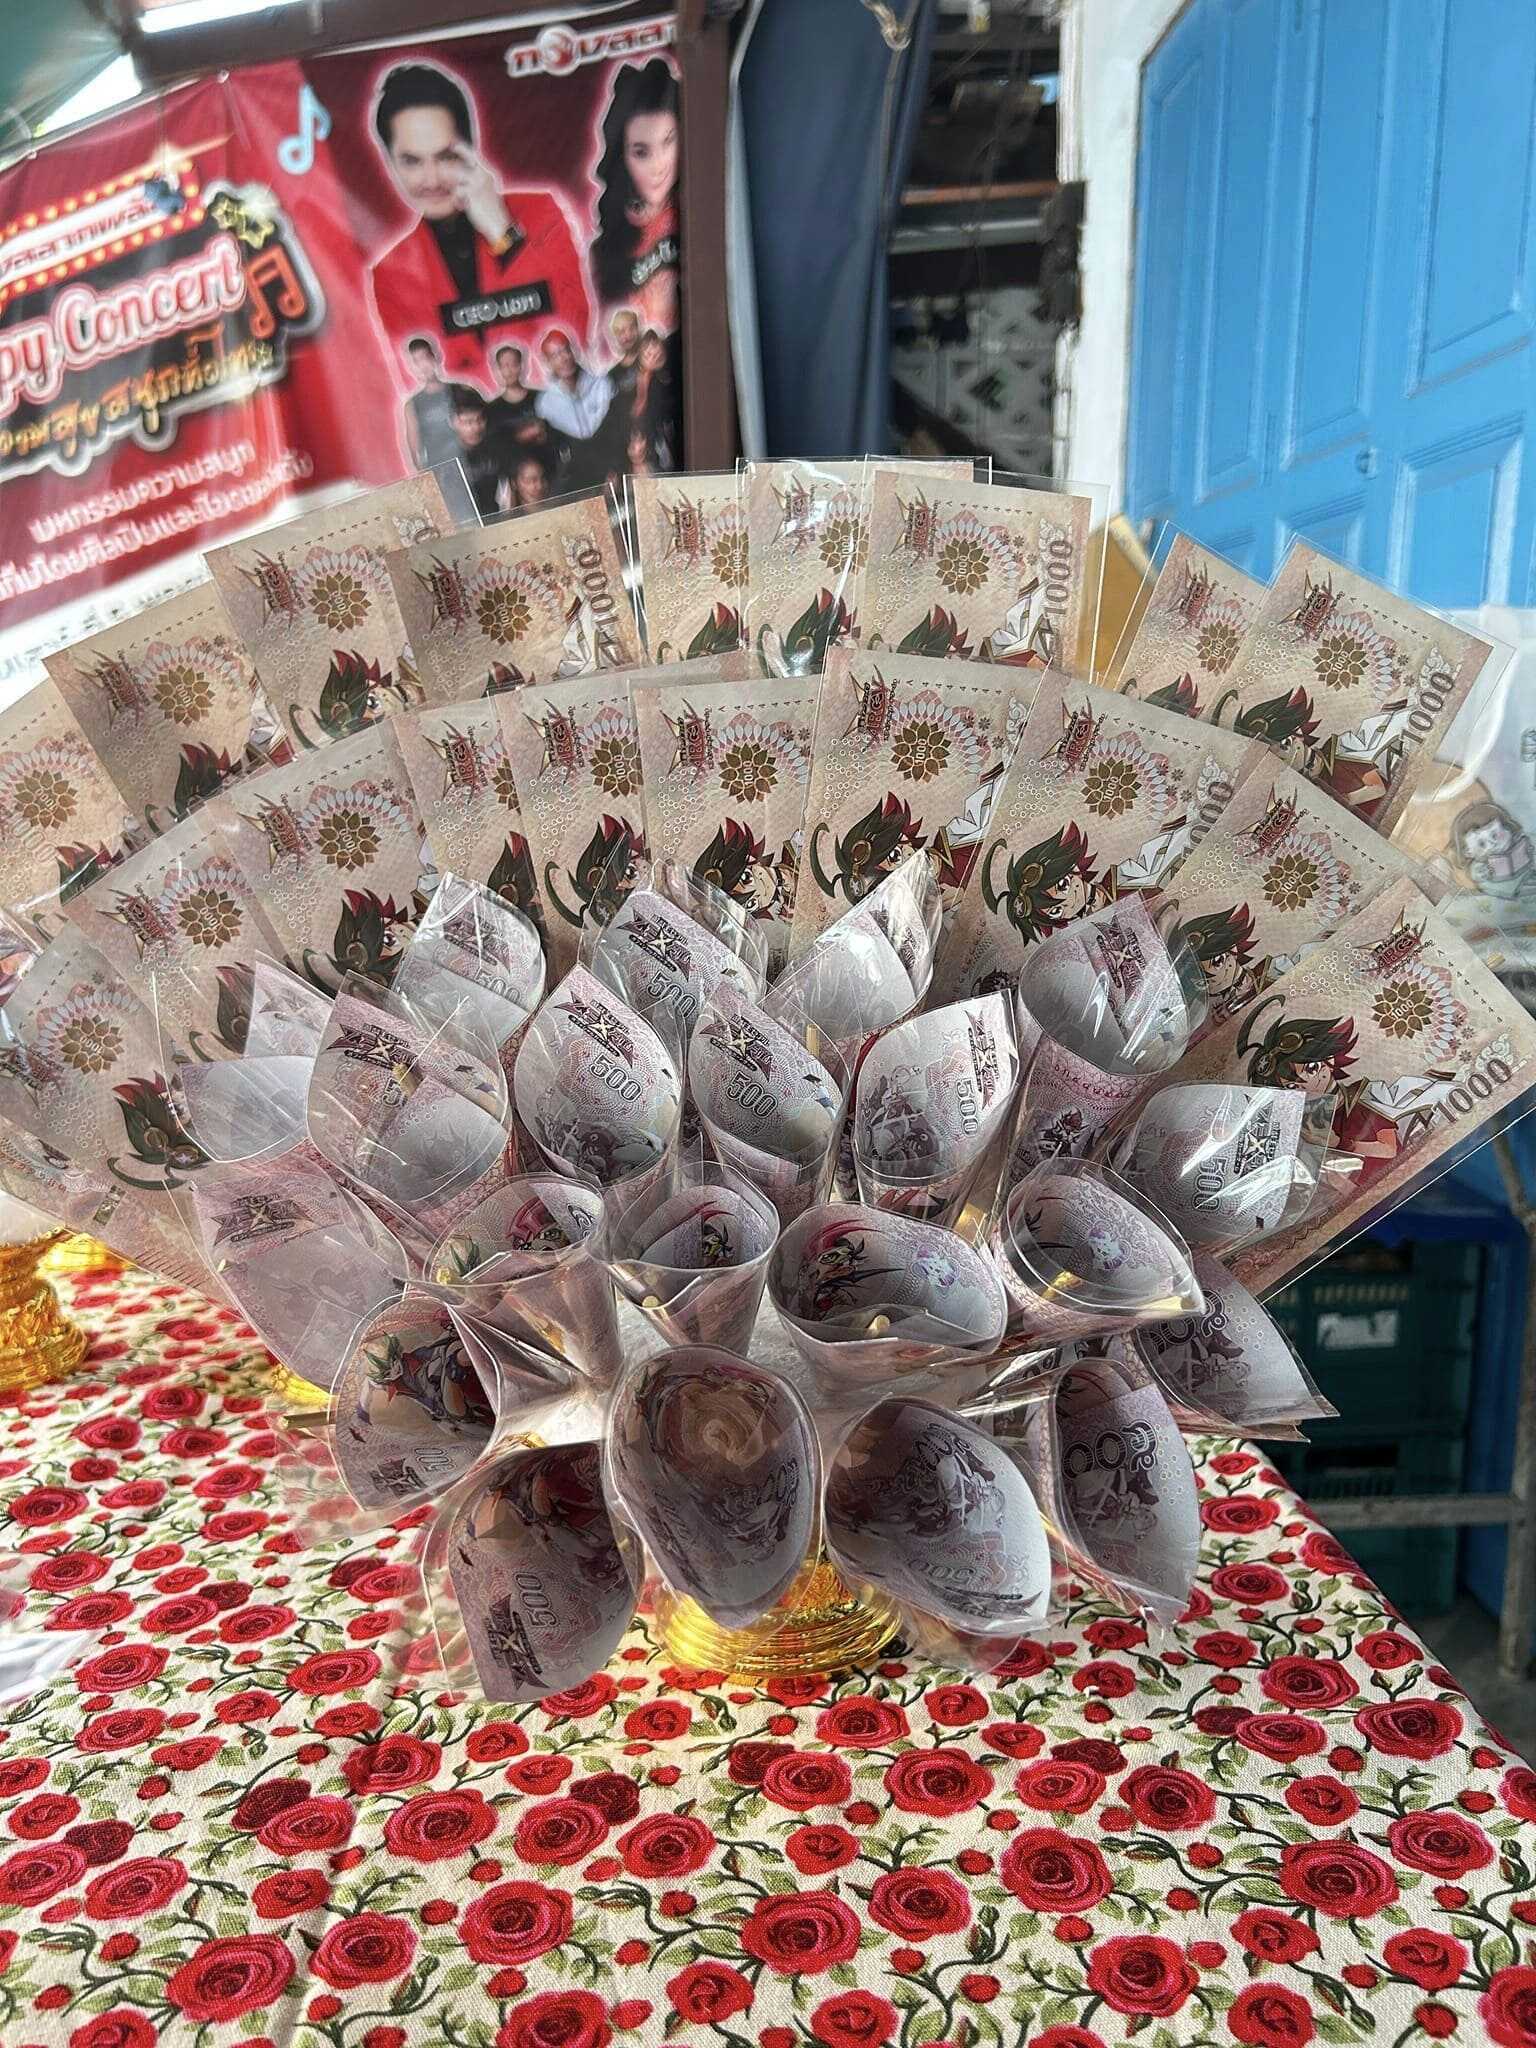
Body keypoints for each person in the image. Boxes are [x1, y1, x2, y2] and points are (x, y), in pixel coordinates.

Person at [368, 62, 593, 384]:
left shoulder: (541, 212)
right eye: (412, 161)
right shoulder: (391, 275)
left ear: (471, 151)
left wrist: (504, 235)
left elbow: (575, 333)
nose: (432, 179)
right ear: (389, 163)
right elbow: (423, 382)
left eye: (446, 156)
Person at [591, 58, 680, 333]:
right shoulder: (607, 247)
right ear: (622, 158)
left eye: (669, 142)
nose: (658, 166)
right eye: (641, 152)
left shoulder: (704, 205)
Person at [535, 329, 614, 488]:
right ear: (548, 362)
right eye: (555, 355)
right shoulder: (545, 403)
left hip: (611, 466)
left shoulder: (602, 385)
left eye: (565, 350)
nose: (563, 358)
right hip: (577, 479)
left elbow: (616, 430)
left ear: (573, 351)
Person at [400, 336, 462, 470]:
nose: (423, 366)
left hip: (467, 463)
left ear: (435, 357)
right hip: (438, 468)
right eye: (416, 361)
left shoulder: (460, 390)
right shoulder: (412, 405)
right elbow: (415, 447)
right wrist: (422, 474)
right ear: (411, 367)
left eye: (425, 358)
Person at [448, 391, 509, 518]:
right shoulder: (445, 457)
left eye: (480, 420)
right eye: (468, 422)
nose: (475, 427)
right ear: (453, 422)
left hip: (495, 518)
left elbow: (507, 490)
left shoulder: (497, 447)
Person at [485, 344, 546, 462]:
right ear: (497, 370)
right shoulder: (491, 409)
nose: (508, 371)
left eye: (513, 364)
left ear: (522, 366)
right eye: (504, 366)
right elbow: (496, 447)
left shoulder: (541, 397)